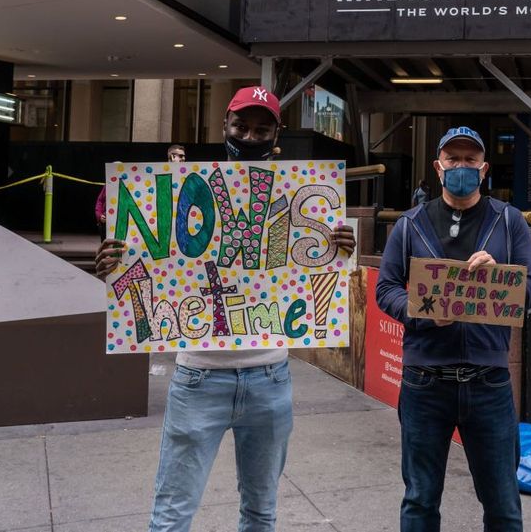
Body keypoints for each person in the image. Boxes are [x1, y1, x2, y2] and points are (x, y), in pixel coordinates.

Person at [95, 87, 355, 532]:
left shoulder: (299, 197)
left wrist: (342, 250)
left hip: (270, 380)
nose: (250, 135)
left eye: (261, 128)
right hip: (198, 378)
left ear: (277, 133)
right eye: (241, 126)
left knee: (260, 513)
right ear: (225, 128)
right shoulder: (181, 192)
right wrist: (115, 268)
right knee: (171, 516)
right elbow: (146, 260)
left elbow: (324, 276)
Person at [376, 126, 531, 532]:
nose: (461, 166)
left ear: (484, 170)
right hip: (424, 383)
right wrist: (423, 312)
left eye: (470, 160)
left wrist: (501, 279)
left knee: (503, 502)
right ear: (438, 166)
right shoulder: (409, 225)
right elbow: (386, 289)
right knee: (420, 500)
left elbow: (530, 290)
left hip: (489, 383)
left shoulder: (509, 222)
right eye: (453, 159)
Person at [95, 146, 186, 239]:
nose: (183, 158)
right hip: (109, 222)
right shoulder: (109, 185)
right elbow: (100, 201)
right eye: (180, 156)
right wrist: (99, 216)